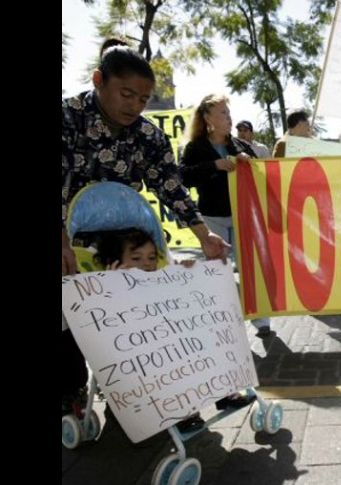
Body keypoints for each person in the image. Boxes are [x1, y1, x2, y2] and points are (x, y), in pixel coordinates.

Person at [62, 45, 230, 414]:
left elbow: (171, 187)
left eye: (143, 98)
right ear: (98, 81)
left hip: (131, 241)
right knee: (68, 321)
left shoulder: (149, 137)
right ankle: (72, 393)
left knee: (151, 314)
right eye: (126, 94)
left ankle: (169, 388)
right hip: (69, 238)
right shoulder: (67, 119)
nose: (135, 105)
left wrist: (205, 235)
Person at [91, 228, 255, 431]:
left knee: (206, 345)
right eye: (136, 258)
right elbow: (105, 324)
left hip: (175, 347)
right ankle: (184, 412)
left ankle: (223, 391)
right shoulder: (106, 294)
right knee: (172, 368)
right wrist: (112, 283)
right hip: (146, 360)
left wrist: (186, 273)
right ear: (115, 262)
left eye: (152, 257)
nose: (147, 263)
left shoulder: (158, 280)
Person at [179, 95, 272, 338]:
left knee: (251, 268)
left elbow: (261, 173)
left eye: (229, 113)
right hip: (212, 218)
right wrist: (214, 166)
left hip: (243, 217)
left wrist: (248, 163)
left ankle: (261, 320)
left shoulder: (240, 145)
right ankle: (222, 320)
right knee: (219, 271)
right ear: (207, 118)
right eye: (222, 113)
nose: (229, 118)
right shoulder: (195, 147)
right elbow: (183, 177)